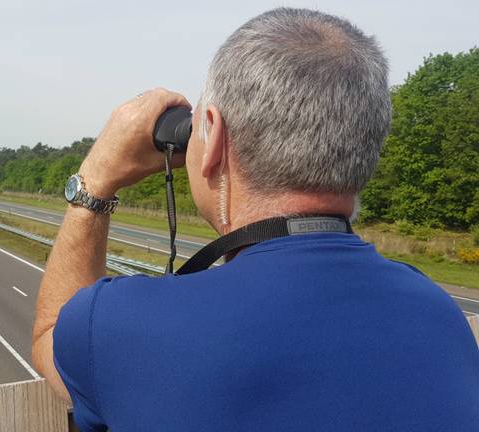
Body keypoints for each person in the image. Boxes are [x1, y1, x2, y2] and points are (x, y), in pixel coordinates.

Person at [31, 7, 479, 431]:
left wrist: (96, 178)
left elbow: (51, 335)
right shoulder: (438, 314)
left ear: (215, 133)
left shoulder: (124, 324)